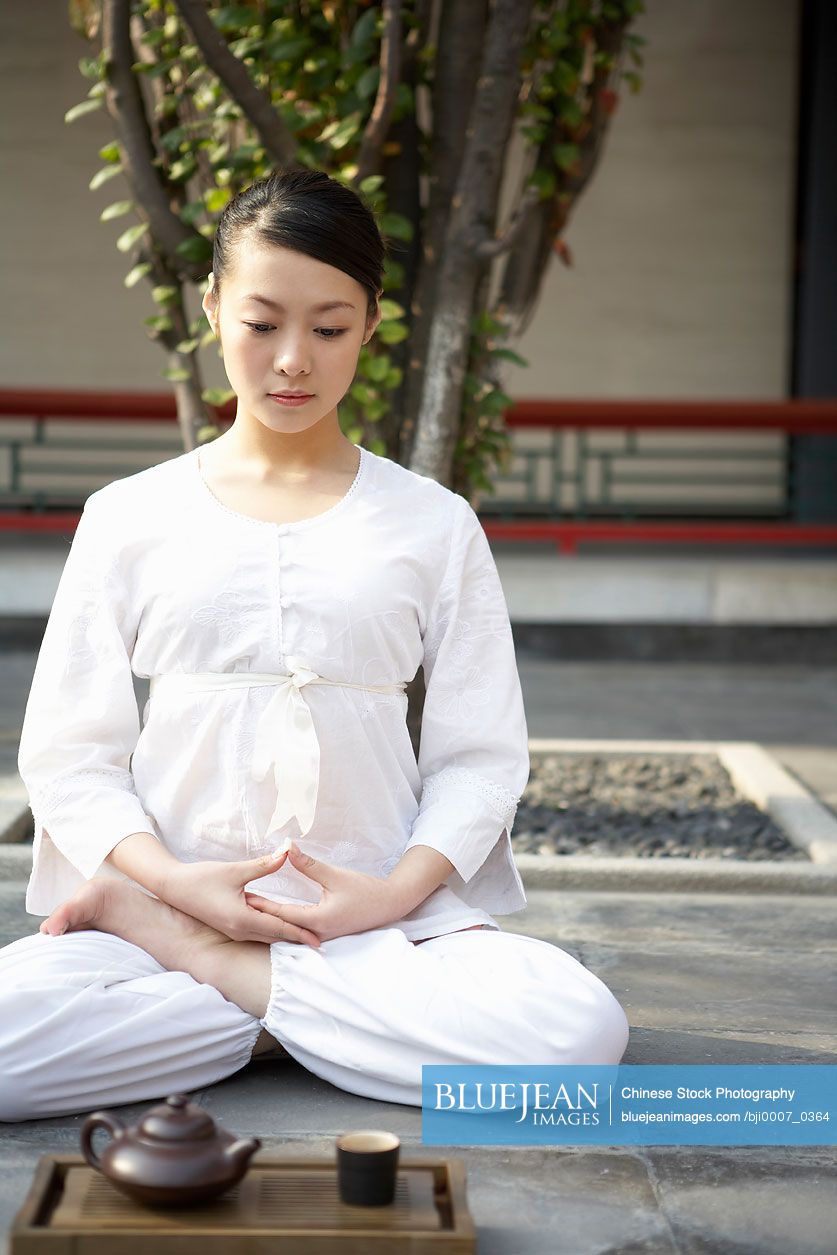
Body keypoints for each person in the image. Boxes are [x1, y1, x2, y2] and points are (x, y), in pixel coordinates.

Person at [0, 167, 629, 1123]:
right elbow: (69, 755)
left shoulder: (434, 523)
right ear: (212, 310)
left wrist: (387, 898)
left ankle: (221, 987)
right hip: (160, 905)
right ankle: (288, 1006)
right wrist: (171, 889)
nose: (293, 359)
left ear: (371, 324)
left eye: (328, 328)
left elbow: (478, 757)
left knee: (575, 1040)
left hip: (386, 929)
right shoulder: (128, 515)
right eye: (262, 324)